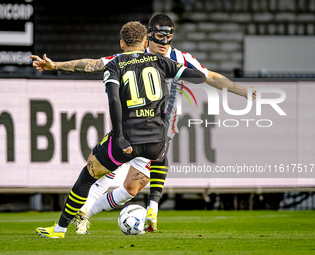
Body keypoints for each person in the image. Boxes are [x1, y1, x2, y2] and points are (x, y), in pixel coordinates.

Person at [31, 14, 256, 235]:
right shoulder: (140, 57)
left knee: (129, 188)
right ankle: (120, 210)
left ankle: (85, 215)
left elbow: (209, 76)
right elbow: (94, 64)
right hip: (140, 132)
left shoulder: (177, 57)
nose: (164, 43)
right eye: (159, 37)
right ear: (148, 37)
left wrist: (241, 90)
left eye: (169, 38)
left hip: (156, 133)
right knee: (105, 173)